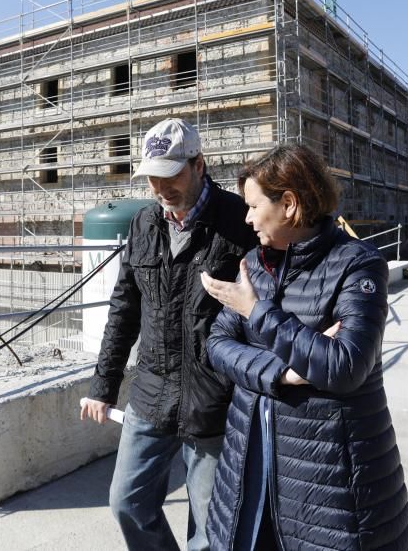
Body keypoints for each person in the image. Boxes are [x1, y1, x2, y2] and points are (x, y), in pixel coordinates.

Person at [199, 143, 408, 551]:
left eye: (254, 205)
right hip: (249, 470)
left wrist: (257, 313)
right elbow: (218, 343)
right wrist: (282, 372)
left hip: (330, 483)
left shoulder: (356, 263)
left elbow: (347, 366)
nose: (246, 217)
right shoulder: (254, 265)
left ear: (290, 204)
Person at [81, 118, 258, 551]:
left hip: (213, 399)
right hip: (151, 393)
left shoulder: (240, 221)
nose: (160, 189)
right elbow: (124, 308)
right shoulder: (144, 224)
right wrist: (103, 386)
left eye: (170, 175)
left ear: (199, 165)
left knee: (210, 526)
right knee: (127, 502)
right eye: (152, 178)